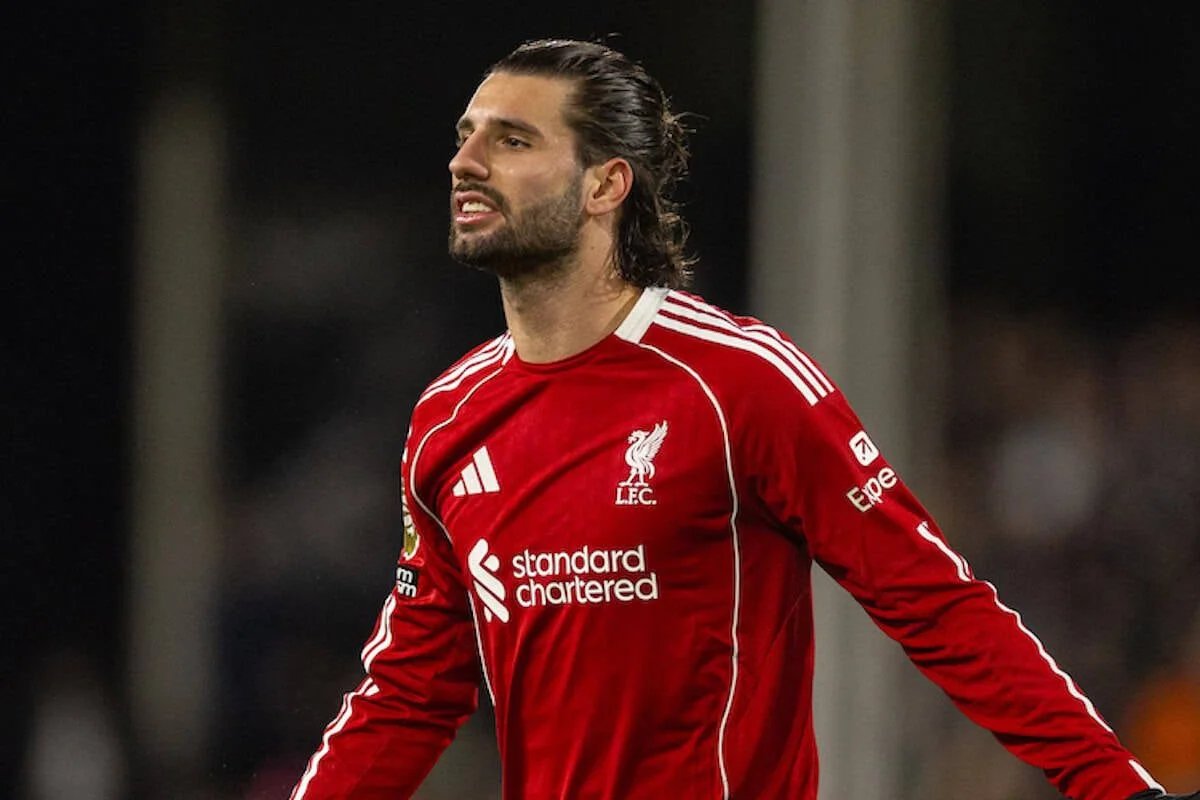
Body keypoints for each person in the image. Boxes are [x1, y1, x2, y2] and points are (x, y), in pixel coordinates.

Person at [290, 38, 1196, 800]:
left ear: (606, 185)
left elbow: (936, 605)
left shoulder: (737, 382)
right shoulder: (450, 416)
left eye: (513, 139)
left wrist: (1114, 788)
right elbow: (410, 691)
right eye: (466, 135)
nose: (467, 161)